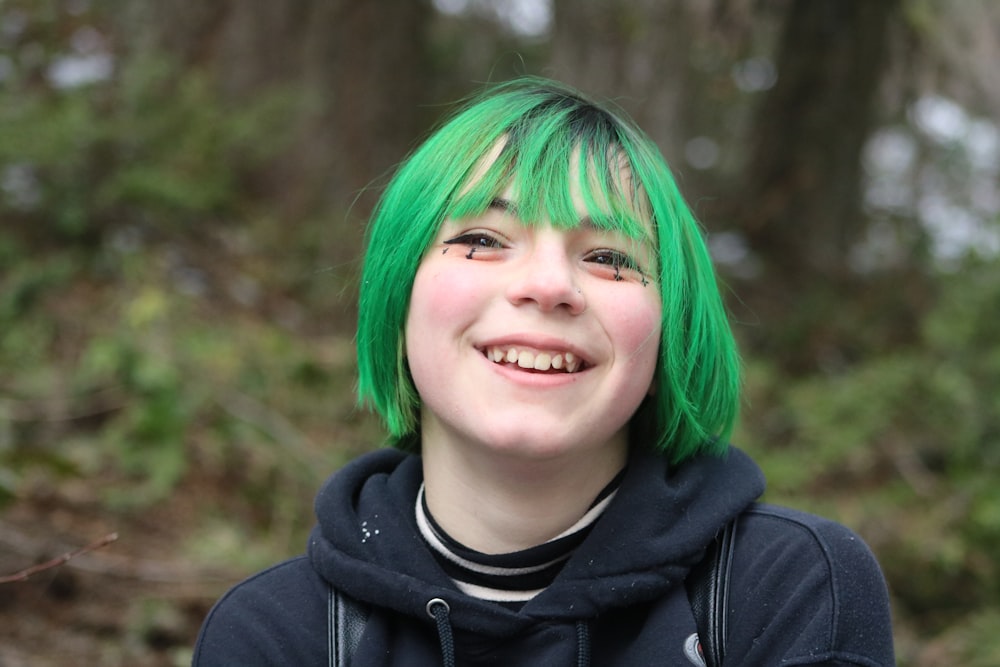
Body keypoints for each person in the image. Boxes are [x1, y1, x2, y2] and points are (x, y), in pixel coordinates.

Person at [193, 77, 895, 666]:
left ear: (668, 333)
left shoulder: (786, 587)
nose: (549, 284)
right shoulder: (273, 634)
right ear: (397, 300)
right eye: (482, 238)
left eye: (610, 256)